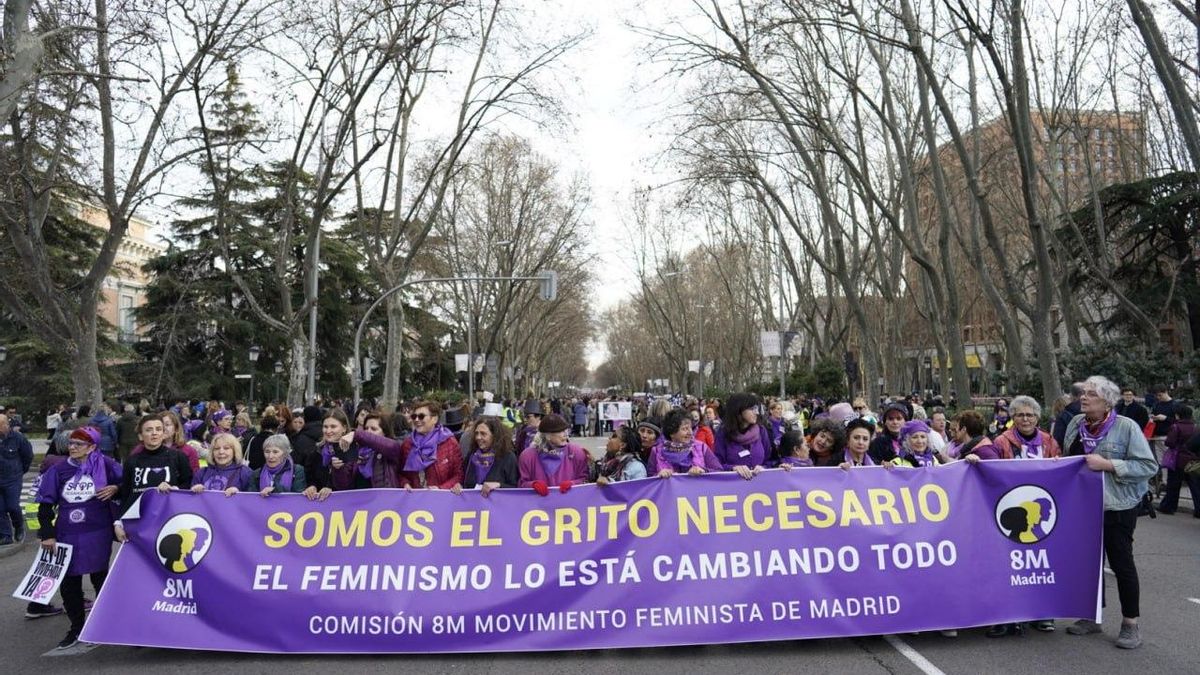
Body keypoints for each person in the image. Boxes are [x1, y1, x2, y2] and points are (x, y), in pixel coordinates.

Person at [1063, 375, 1158, 649]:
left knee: (1121, 564)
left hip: (1117, 507)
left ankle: (1130, 624)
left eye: (1091, 394)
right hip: (1081, 507)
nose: (1083, 397)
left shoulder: (1126, 427)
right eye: (1083, 392)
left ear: (1107, 401)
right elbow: (1066, 455)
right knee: (1088, 565)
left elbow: (1148, 466)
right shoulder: (1075, 424)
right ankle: (1092, 618)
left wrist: (1108, 464)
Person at [35, 426, 122, 650]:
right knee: (69, 581)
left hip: (97, 531)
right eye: (71, 443)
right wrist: (47, 533)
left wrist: (115, 487)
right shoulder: (59, 470)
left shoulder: (107, 464)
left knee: (100, 577)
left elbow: (128, 485)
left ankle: (103, 624)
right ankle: (76, 628)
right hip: (67, 533)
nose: (72, 447)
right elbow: (45, 504)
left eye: (78, 444)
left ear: (92, 447)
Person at [115, 415, 193, 544]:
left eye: (158, 429)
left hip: (169, 520)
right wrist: (118, 522)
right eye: (149, 430)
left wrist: (175, 489)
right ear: (140, 436)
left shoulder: (178, 457)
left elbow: (189, 484)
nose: (154, 433)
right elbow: (126, 494)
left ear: (163, 433)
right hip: (140, 522)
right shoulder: (132, 461)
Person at [333, 412, 409, 490]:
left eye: (374, 429)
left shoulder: (392, 447)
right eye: (366, 428)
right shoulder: (357, 451)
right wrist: (339, 469)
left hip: (383, 500)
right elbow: (344, 486)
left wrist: (356, 434)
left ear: (385, 432)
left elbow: (389, 445)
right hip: (360, 500)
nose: (368, 432)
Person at [517, 413, 589, 494]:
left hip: (569, 503)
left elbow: (585, 480)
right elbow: (521, 484)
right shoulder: (528, 456)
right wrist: (532, 485)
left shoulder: (576, 452)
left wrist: (573, 484)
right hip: (539, 504)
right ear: (547, 435)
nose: (565, 435)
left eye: (566, 430)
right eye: (560, 431)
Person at [398, 400, 463, 490]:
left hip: (441, 500)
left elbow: (458, 475)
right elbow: (401, 474)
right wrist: (405, 484)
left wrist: (440, 489)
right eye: (414, 416)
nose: (416, 420)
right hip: (414, 500)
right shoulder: (407, 444)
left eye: (421, 416)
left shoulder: (449, 442)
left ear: (434, 419)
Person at [712, 393, 775, 479]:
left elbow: (771, 460)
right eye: (752, 409)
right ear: (739, 411)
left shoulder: (762, 431)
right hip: (733, 488)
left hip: (760, 487)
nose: (756, 412)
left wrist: (764, 467)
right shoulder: (722, 433)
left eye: (756, 408)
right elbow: (716, 464)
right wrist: (732, 468)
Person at [453, 417, 519, 495]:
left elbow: (516, 488)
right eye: (476, 433)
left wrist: (499, 485)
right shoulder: (471, 455)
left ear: (494, 436)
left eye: (483, 433)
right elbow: (463, 480)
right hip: (472, 505)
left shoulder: (508, 457)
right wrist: (458, 485)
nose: (478, 437)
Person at [650, 409, 723, 477]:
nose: (690, 432)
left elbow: (719, 471)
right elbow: (648, 480)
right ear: (672, 433)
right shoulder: (656, 451)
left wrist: (703, 471)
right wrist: (658, 476)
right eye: (685, 429)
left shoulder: (701, 447)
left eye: (690, 428)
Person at [992, 396, 1062, 461]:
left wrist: (1058, 461)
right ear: (1013, 418)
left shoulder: (1049, 441)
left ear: (1037, 418)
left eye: (1029, 415)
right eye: (1020, 415)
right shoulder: (1001, 442)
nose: (1025, 419)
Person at [1157, 405, 1198, 515]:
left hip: (1178, 459)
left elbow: (1169, 442)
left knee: (1173, 485)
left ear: (1178, 415)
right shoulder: (1195, 427)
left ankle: (1169, 507)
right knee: (1195, 486)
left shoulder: (1176, 426)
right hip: (1193, 460)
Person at [0, 413, 34, 545]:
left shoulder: (18, 438)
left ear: (6, 425)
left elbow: (27, 456)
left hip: (12, 479)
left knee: (13, 506)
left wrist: (20, 471)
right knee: (0, 509)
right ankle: (5, 535)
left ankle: (18, 526)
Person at [1052, 383, 1083, 449]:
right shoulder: (1097, 412)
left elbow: (1058, 441)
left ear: (1072, 396)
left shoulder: (1063, 415)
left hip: (1072, 456)